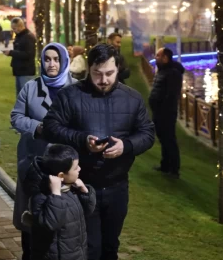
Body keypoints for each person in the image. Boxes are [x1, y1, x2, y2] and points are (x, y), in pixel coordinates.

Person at [43, 44, 155, 260]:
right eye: (97, 73)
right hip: (81, 187)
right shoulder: (70, 95)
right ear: (89, 69)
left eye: (109, 73)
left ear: (118, 68)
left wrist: (126, 146)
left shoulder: (132, 98)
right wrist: (82, 140)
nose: (103, 80)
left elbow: (147, 133)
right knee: (90, 248)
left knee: (111, 246)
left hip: (117, 187)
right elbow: (50, 127)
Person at [11, 43, 75, 260]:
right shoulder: (31, 87)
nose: (51, 64)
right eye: (47, 59)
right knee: (31, 217)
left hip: (64, 166)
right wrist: (37, 127)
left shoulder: (76, 88)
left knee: (59, 218)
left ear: (64, 61)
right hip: (33, 161)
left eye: (56, 59)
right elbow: (16, 117)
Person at [22, 144, 96, 260]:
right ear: (61, 175)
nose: (79, 169)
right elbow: (52, 223)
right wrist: (56, 194)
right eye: (75, 168)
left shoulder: (69, 188)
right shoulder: (41, 196)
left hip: (76, 253)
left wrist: (84, 191)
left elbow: (87, 211)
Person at [149, 47, 185, 178]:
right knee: (163, 139)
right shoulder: (162, 70)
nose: (155, 58)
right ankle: (165, 165)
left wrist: (162, 108)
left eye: (158, 55)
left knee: (169, 139)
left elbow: (171, 95)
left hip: (166, 113)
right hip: (159, 112)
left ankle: (174, 170)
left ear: (165, 58)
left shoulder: (173, 73)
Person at [4, 18, 36, 96]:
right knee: (20, 95)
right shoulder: (20, 36)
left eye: (14, 28)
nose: (13, 30)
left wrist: (11, 53)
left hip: (26, 71)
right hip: (20, 70)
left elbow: (28, 54)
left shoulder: (28, 37)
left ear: (20, 26)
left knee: (25, 95)